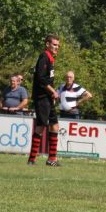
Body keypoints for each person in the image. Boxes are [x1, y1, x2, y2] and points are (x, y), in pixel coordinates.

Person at [27, 35, 61, 166]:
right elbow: (41, 79)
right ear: (47, 44)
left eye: (58, 45)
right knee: (41, 126)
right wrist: (53, 91)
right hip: (42, 97)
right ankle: (32, 159)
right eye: (54, 44)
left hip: (48, 97)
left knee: (54, 125)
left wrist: (51, 93)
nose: (57, 47)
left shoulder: (50, 58)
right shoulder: (44, 57)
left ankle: (52, 159)